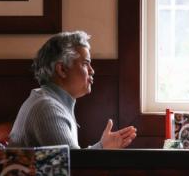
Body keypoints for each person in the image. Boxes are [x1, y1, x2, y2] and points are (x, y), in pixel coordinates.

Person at [9, 31, 137, 149]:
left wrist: (102, 147)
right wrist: (101, 148)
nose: (92, 71)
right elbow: (76, 168)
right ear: (62, 70)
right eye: (85, 64)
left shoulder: (47, 100)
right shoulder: (48, 108)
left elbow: (73, 162)